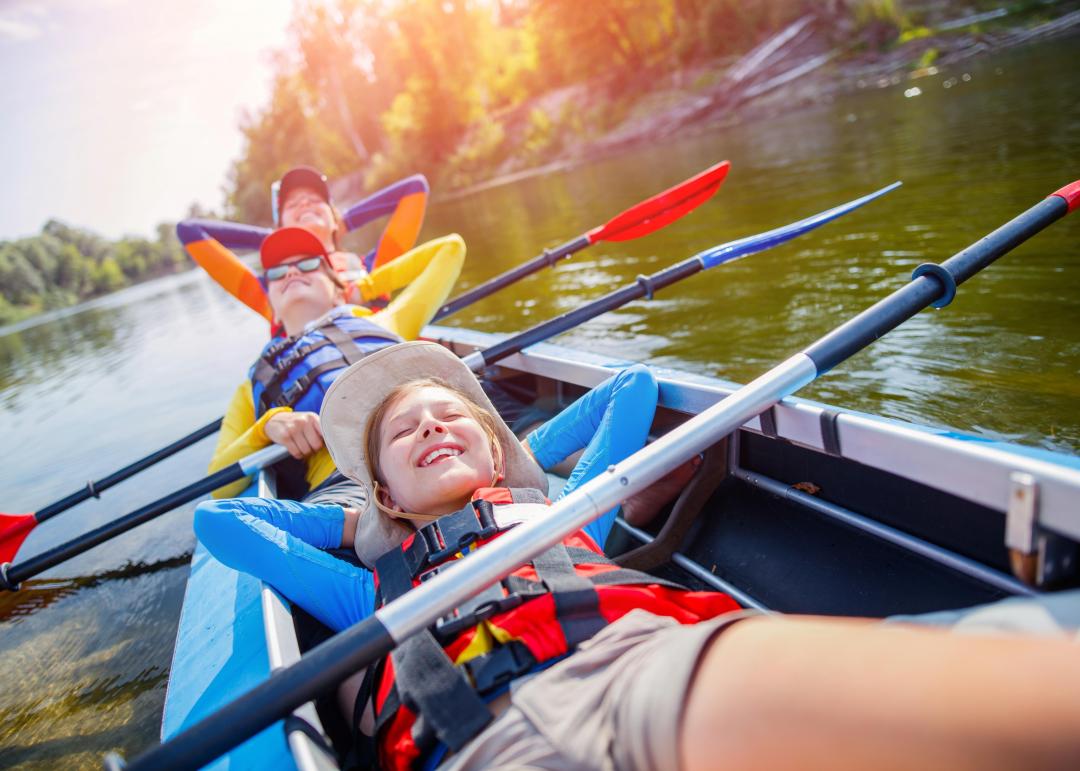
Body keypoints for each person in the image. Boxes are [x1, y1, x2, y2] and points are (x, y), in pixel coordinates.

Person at [194, 341, 1080, 771]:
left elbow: (632, 385)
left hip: (649, 662)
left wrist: (510, 460)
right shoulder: (368, 592)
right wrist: (362, 523)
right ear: (383, 489)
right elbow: (224, 523)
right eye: (404, 433)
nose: (430, 425)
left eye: (449, 415)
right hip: (489, 738)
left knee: (1018, 688)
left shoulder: (571, 510)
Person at [206, 229, 464, 502]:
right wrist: (266, 428)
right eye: (277, 273)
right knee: (215, 518)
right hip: (347, 486)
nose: (291, 273)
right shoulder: (251, 387)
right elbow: (220, 485)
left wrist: (363, 288)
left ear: (338, 290)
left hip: (433, 444)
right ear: (273, 310)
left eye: (308, 264)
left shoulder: (385, 322)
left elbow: (450, 248)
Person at [177, 167, 430, 325]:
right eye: (292, 205)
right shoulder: (273, 288)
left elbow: (415, 188)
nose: (305, 204)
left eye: (315, 200)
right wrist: (282, 237)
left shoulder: (374, 267)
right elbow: (189, 230)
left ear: (334, 215)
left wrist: (341, 223)